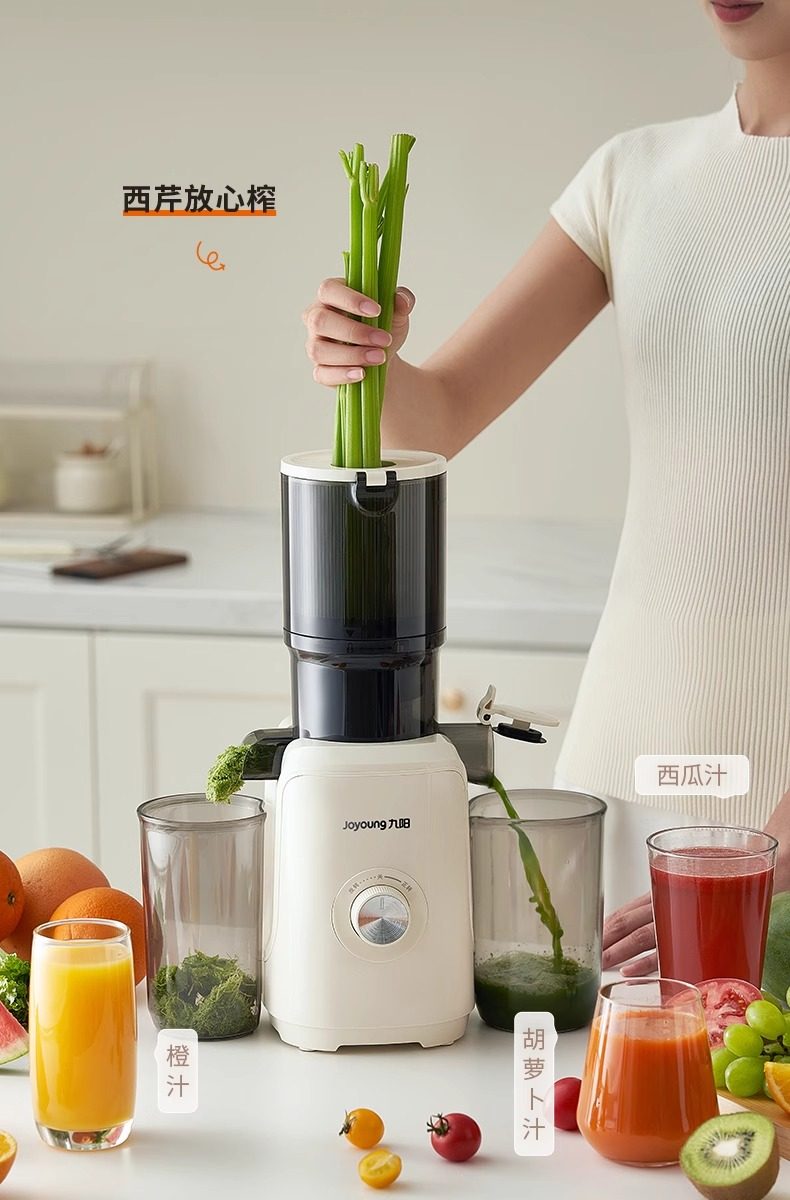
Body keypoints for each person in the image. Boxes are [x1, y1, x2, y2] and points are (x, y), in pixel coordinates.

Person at [302, 0, 790, 975]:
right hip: (619, 778)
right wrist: (360, 353)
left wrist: (778, 850)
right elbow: (439, 414)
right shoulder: (633, 174)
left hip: (775, 825)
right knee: (594, 1071)